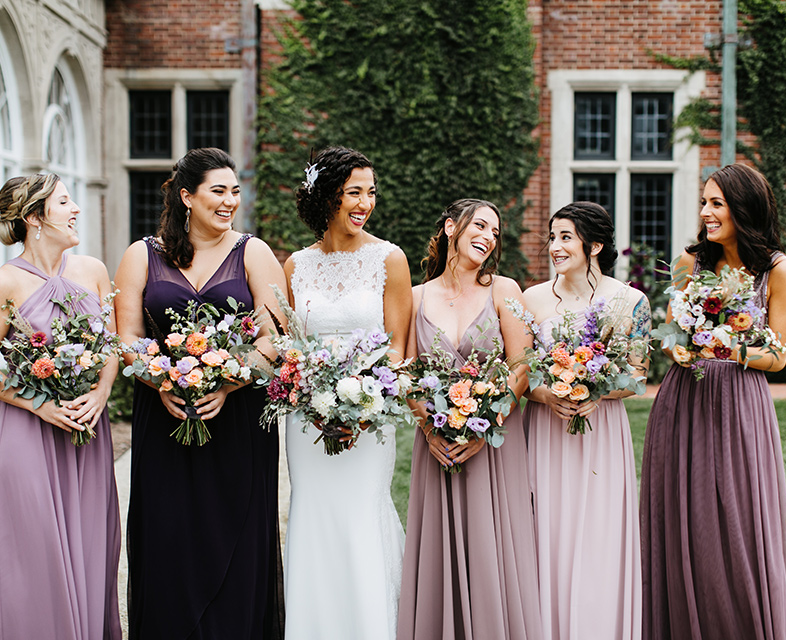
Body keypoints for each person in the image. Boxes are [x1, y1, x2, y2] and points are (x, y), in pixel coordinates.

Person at [114, 147, 286, 639]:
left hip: (236, 420)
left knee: (233, 535)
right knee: (167, 537)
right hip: (164, 416)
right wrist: (161, 380)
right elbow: (126, 337)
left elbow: (275, 336)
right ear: (187, 197)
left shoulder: (252, 251)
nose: (230, 200)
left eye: (235, 191)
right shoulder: (141, 254)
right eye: (219, 191)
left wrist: (231, 380)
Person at [640, 163, 786, 639]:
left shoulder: (778, 270)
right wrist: (680, 348)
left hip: (739, 401)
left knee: (736, 519)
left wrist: (731, 348)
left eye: (717, 203)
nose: (706, 213)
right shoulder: (691, 262)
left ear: (743, 207)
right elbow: (670, 332)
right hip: (683, 396)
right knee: (683, 514)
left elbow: (779, 355)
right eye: (705, 202)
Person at [0, 174, 122, 639]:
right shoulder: (3, 283)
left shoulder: (92, 270)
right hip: (28, 436)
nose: (75, 210)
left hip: (87, 433)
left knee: (94, 547)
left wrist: (99, 393)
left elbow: (111, 345)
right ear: (35, 218)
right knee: (33, 557)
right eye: (64, 202)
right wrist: (41, 404)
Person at [396, 198, 542, 640]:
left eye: (495, 232)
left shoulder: (505, 290)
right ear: (450, 228)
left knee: (491, 551)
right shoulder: (416, 297)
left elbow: (522, 364)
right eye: (480, 225)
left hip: (493, 444)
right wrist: (427, 423)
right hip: (437, 442)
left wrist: (487, 424)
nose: (489, 237)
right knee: (440, 553)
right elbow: (402, 368)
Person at [282, 146, 412, 640]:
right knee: (313, 514)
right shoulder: (296, 266)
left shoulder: (388, 259)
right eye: (353, 192)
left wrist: (366, 402)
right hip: (306, 420)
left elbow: (398, 349)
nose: (365, 203)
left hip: (369, 416)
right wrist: (307, 394)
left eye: (371, 192)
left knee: (361, 514)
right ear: (326, 195)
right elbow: (292, 347)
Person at [522, 202, 650, 640]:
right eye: (552, 237)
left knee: (600, 535)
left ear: (594, 245)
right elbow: (520, 373)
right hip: (546, 430)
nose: (554, 247)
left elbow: (636, 375)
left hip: (602, 432)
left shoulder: (631, 300)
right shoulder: (532, 299)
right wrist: (547, 393)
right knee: (548, 535)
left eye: (565, 237)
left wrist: (592, 389)